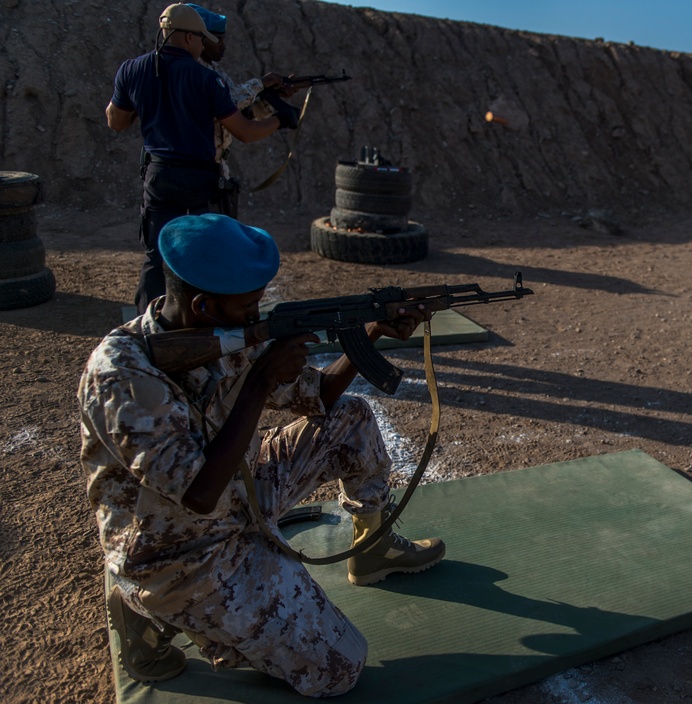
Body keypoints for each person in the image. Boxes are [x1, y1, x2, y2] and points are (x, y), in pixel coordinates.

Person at [78, 213, 445, 696]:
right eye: (249, 308)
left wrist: (371, 330)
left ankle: (372, 549)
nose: (258, 318)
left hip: (242, 493)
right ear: (205, 306)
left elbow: (318, 395)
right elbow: (198, 496)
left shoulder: (224, 331)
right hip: (179, 551)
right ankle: (148, 610)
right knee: (338, 668)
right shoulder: (124, 377)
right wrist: (258, 382)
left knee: (350, 418)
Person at [105, 3, 300, 314]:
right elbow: (246, 132)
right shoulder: (207, 79)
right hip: (200, 178)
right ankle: (205, 319)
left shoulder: (131, 69)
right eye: (201, 39)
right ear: (187, 37)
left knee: (157, 255)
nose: (203, 45)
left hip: (158, 174)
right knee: (207, 252)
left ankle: (149, 326)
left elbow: (116, 121)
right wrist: (281, 120)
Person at [186, 3, 301, 218]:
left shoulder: (215, 71)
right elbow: (229, 103)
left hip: (214, 168)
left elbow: (239, 114)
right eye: (218, 39)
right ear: (202, 39)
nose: (223, 46)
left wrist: (270, 100)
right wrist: (261, 84)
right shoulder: (195, 72)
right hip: (194, 170)